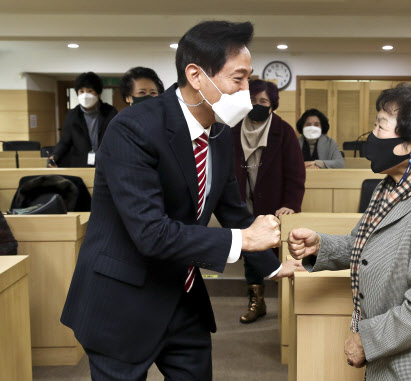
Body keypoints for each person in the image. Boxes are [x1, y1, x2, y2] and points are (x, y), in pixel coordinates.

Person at [61, 21, 300, 380]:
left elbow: (232, 209)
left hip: (182, 295)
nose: (247, 92)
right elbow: (151, 233)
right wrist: (243, 239)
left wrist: (272, 265)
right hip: (122, 300)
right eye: (238, 79)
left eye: (249, 79)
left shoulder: (219, 133)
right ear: (196, 74)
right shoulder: (133, 129)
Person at [288, 83, 411, 380]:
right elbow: (365, 245)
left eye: (380, 126)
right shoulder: (390, 187)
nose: (371, 136)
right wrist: (320, 246)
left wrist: (366, 339)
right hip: (393, 359)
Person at [232, 79, 306, 323]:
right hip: (243, 201)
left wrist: (291, 205)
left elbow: (295, 174)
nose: (257, 105)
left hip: (275, 204)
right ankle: (256, 301)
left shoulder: (283, 131)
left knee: (273, 253)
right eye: (252, 101)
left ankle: (284, 308)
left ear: (272, 104)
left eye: (262, 101)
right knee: (250, 249)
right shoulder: (232, 129)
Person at [49, 72, 117, 167]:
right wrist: (55, 155)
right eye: (81, 91)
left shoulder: (110, 112)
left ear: (98, 93)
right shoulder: (72, 115)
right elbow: (65, 141)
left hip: (106, 162)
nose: (85, 95)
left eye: (89, 91)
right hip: (80, 163)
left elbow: (117, 139)